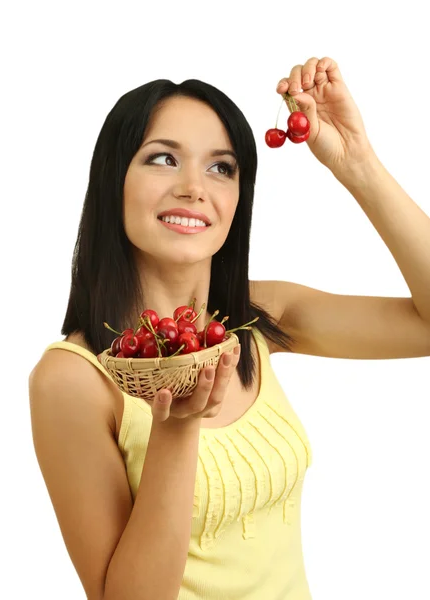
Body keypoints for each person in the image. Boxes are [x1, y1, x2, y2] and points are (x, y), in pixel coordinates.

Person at [28, 56, 430, 600]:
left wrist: (357, 163)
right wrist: (177, 428)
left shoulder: (258, 316)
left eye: (222, 167)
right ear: (113, 180)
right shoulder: (73, 379)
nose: (195, 187)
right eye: (163, 158)